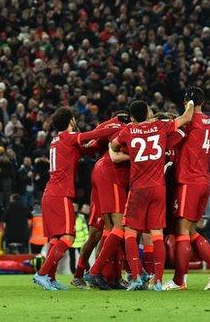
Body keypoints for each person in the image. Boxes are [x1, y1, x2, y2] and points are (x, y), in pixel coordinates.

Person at [107, 98, 194, 291]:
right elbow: (187, 117)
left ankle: (137, 275)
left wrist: (129, 151)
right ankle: (158, 281)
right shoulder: (160, 126)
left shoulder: (127, 130)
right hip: (158, 188)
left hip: (138, 188)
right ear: (147, 113)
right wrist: (189, 102)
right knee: (157, 233)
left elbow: (113, 146)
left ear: (133, 117)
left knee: (130, 232)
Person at [32, 107, 120, 291]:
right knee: (68, 237)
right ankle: (42, 274)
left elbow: (89, 148)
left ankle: (50, 277)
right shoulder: (68, 137)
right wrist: (118, 125)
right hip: (60, 193)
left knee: (56, 239)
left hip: (50, 193)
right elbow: (95, 134)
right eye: (73, 120)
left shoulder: (57, 141)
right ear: (71, 121)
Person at [165, 87, 210, 291]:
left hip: (189, 181)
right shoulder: (209, 122)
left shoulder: (189, 122)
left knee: (182, 231)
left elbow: (170, 137)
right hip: (203, 180)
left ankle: (178, 281)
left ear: (187, 103)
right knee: (192, 231)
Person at [81, 113, 132, 290]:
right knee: (118, 228)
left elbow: (93, 141)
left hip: (104, 174)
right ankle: (92, 273)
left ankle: (110, 276)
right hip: (111, 176)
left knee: (108, 229)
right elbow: (114, 155)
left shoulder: (115, 125)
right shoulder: (123, 127)